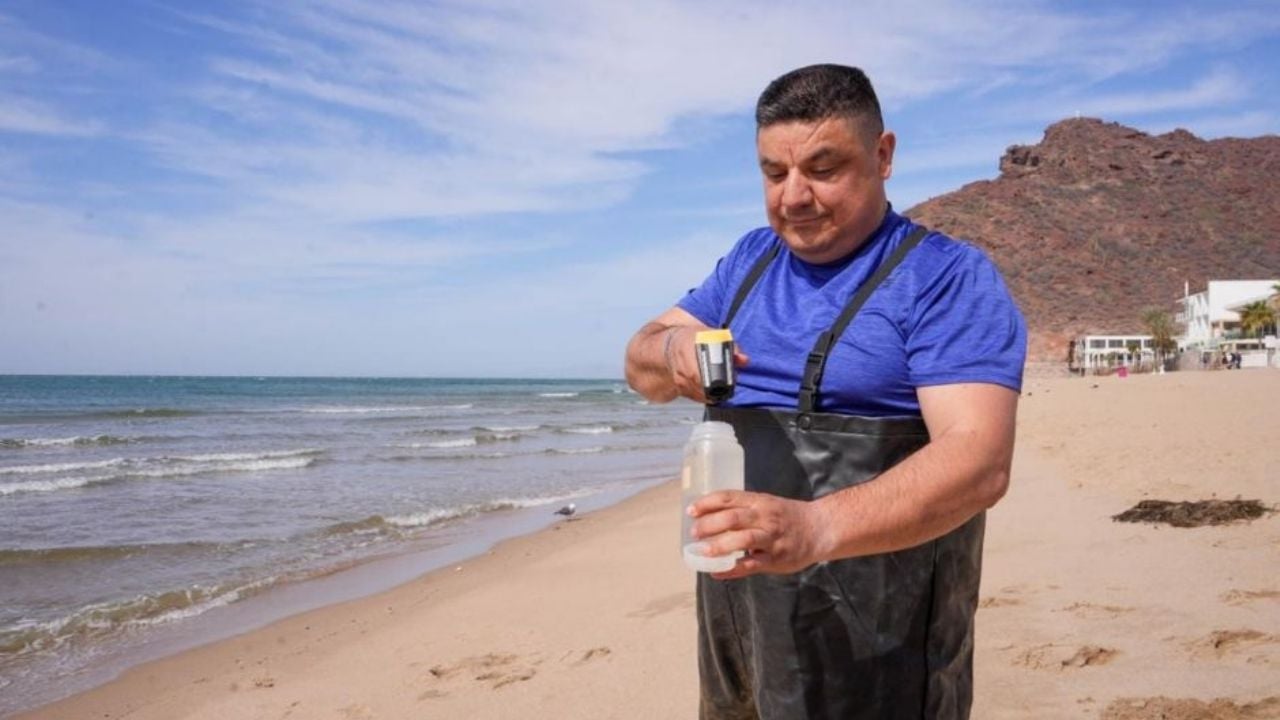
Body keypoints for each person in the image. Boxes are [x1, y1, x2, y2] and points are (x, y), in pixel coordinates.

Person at [624, 64, 1026, 720]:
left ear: (883, 155)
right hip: (740, 625)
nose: (794, 197)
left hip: (880, 641)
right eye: (774, 174)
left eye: (823, 167)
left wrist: (815, 527)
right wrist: (672, 352)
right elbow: (640, 360)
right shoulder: (749, 262)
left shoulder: (945, 278)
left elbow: (980, 461)